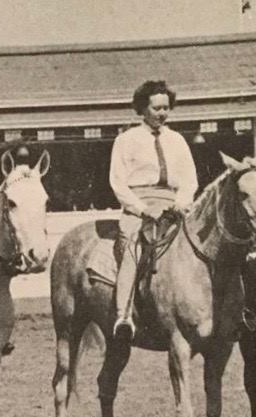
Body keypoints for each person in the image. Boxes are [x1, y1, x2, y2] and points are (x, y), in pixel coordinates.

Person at [110, 80, 198, 341]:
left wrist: (181, 202)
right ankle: (124, 315)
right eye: (156, 108)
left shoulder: (178, 140)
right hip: (140, 204)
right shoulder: (126, 140)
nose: (162, 113)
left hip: (173, 203)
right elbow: (117, 182)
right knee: (132, 248)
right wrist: (142, 209)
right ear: (142, 109)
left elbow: (190, 179)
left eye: (166, 108)